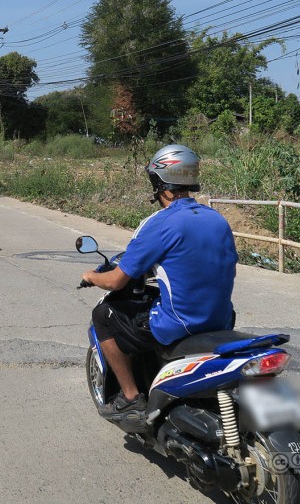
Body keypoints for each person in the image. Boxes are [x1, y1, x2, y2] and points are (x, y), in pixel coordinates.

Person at [80, 144, 238, 415]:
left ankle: (130, 397)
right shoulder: (217, 219)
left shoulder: (161, 223)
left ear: (158, 181)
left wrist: (93, 277)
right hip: (223, 319)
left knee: (103, 315)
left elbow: (117, 281)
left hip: (181, 323)